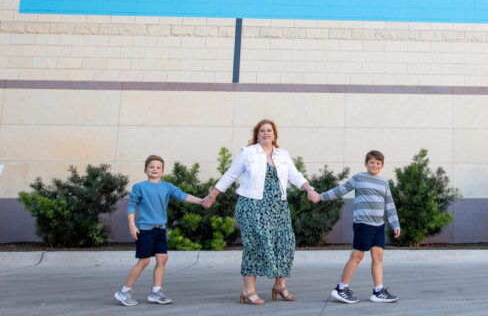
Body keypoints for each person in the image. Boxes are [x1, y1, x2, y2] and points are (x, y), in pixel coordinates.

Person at [201, 119, 320, 305]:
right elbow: (231, 175)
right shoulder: (248, 153)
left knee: (286, 243)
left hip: (278, 206)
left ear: (275, 134)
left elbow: (295, 175)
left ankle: (280, 285)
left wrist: (309, 189)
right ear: (257, 134)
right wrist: (213, 195)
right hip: (252, 205)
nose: (266, 133)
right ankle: (248, 291)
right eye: (262, 131)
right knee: (255, 244)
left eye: (269, 130)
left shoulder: (283, 155)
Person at [114, 155, 205, 306]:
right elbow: (131, 206)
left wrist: (201, 201)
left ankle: (156, 292)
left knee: (162, 259)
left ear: (162, 171)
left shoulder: (167, 187)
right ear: (145, 170)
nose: (154, 170)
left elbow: (182, 195)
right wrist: (132, 225)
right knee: (144, 261)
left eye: (158, 168)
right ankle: (124, 291)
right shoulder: (139, 187)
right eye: (151, 167)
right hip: (145, 229)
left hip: (160, 229)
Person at [313, 150, 401, 304]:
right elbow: (340, 190)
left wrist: (395, 223)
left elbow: (389, 204)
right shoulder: (359, 178)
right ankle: (341, 288)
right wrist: (321, 196)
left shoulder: (384, 183)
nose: (374, 165)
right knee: (357, 256)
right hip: (363, 224)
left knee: (378, 257)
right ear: (366, 163)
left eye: (378, 163)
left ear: (382, 166)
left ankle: (378, 290)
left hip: (378, 225)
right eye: (372, 162)